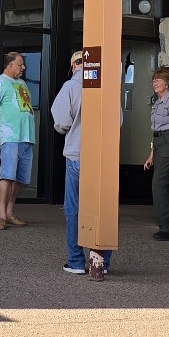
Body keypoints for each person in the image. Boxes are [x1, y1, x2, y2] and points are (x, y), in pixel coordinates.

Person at [51, 50, 114, 280]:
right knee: (102, 208)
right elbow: (117, 122)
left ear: (74, 65)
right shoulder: (107, 88)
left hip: (77, 155)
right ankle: (102, 261)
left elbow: (61, 122)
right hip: (104, 158)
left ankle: (76, 261)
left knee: (73, 209)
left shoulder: (70, 87)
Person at [0, 51, 35, 230]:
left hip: (26, 137)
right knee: (7, 175)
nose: (23, 68)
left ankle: (11, 213)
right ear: (10, 65)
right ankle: (2, 215)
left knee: (19, 178)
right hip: (9, 136)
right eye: (20, 64)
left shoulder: (22, 83)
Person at [142, 67, 169, 241]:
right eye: (153, 81)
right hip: (160, 143)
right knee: (165, 188)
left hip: (168, 143)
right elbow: (156, 132)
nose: (155, 83)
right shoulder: (158, 103)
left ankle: (166, 228)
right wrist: (152, 155)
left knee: (159, 186)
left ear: (167, 83)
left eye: (158, 80)